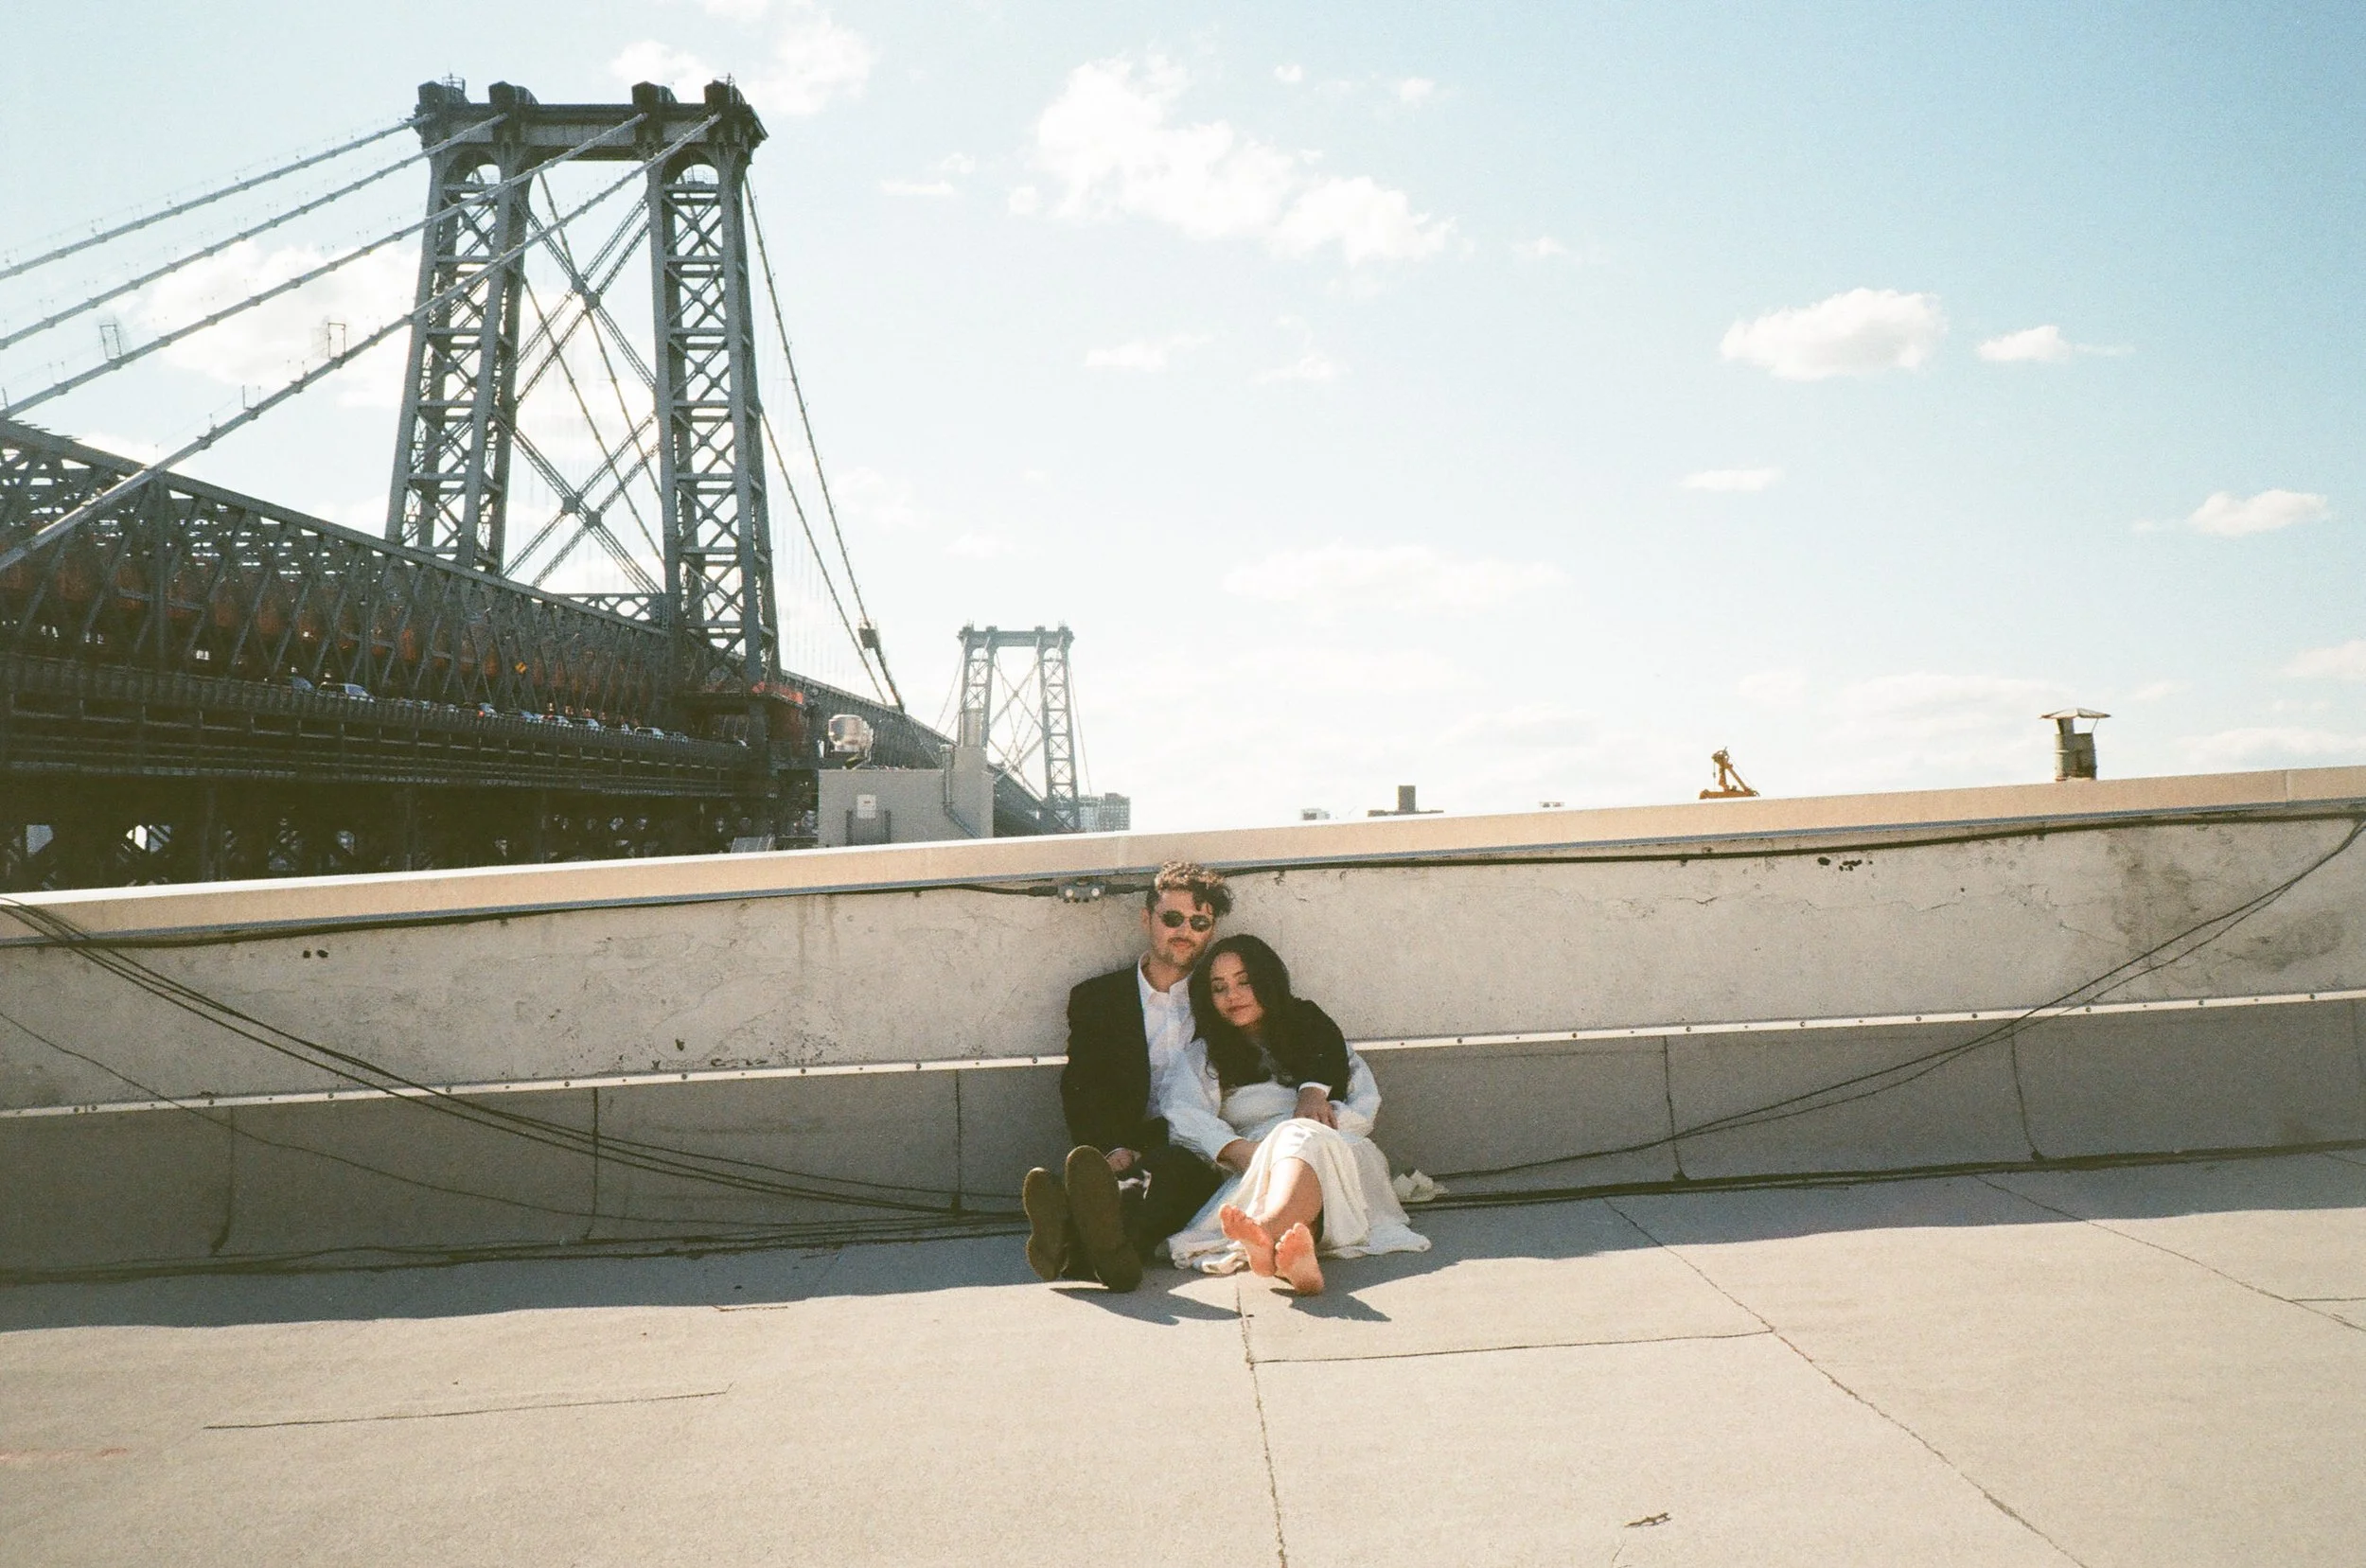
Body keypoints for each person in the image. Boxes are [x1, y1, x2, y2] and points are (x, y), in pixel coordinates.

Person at [1158, 934, 1428, 1294]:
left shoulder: (1318, 1038)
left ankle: (1266, 1231)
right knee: (1294, 1143)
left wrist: (1310, 1124)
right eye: (1219, 988)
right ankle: (1297, 1258)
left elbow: (1364, 1105)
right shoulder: (1204, 1056)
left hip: (1343, 1150)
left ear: (1267, 981)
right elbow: (1184, 1114)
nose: (1232, 995)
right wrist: (1237, 1150)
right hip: (1258, 1159)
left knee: (1300, 1136)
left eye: (1244, 982)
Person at [1022, 860, 1233, 1292]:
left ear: (1210, 931)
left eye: (1198, 923)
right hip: (1121, 1146)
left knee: (1172, 1170)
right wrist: (1111, 1146)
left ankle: (1071, 1239)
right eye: (1172, 918)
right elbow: (1081, 1087)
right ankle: (1103, 1250)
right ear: (1146, 918)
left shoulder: (1222, 998)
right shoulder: (1098, 999)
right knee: (1138, 1183)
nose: (1185, 931)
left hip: (1193, 1144)